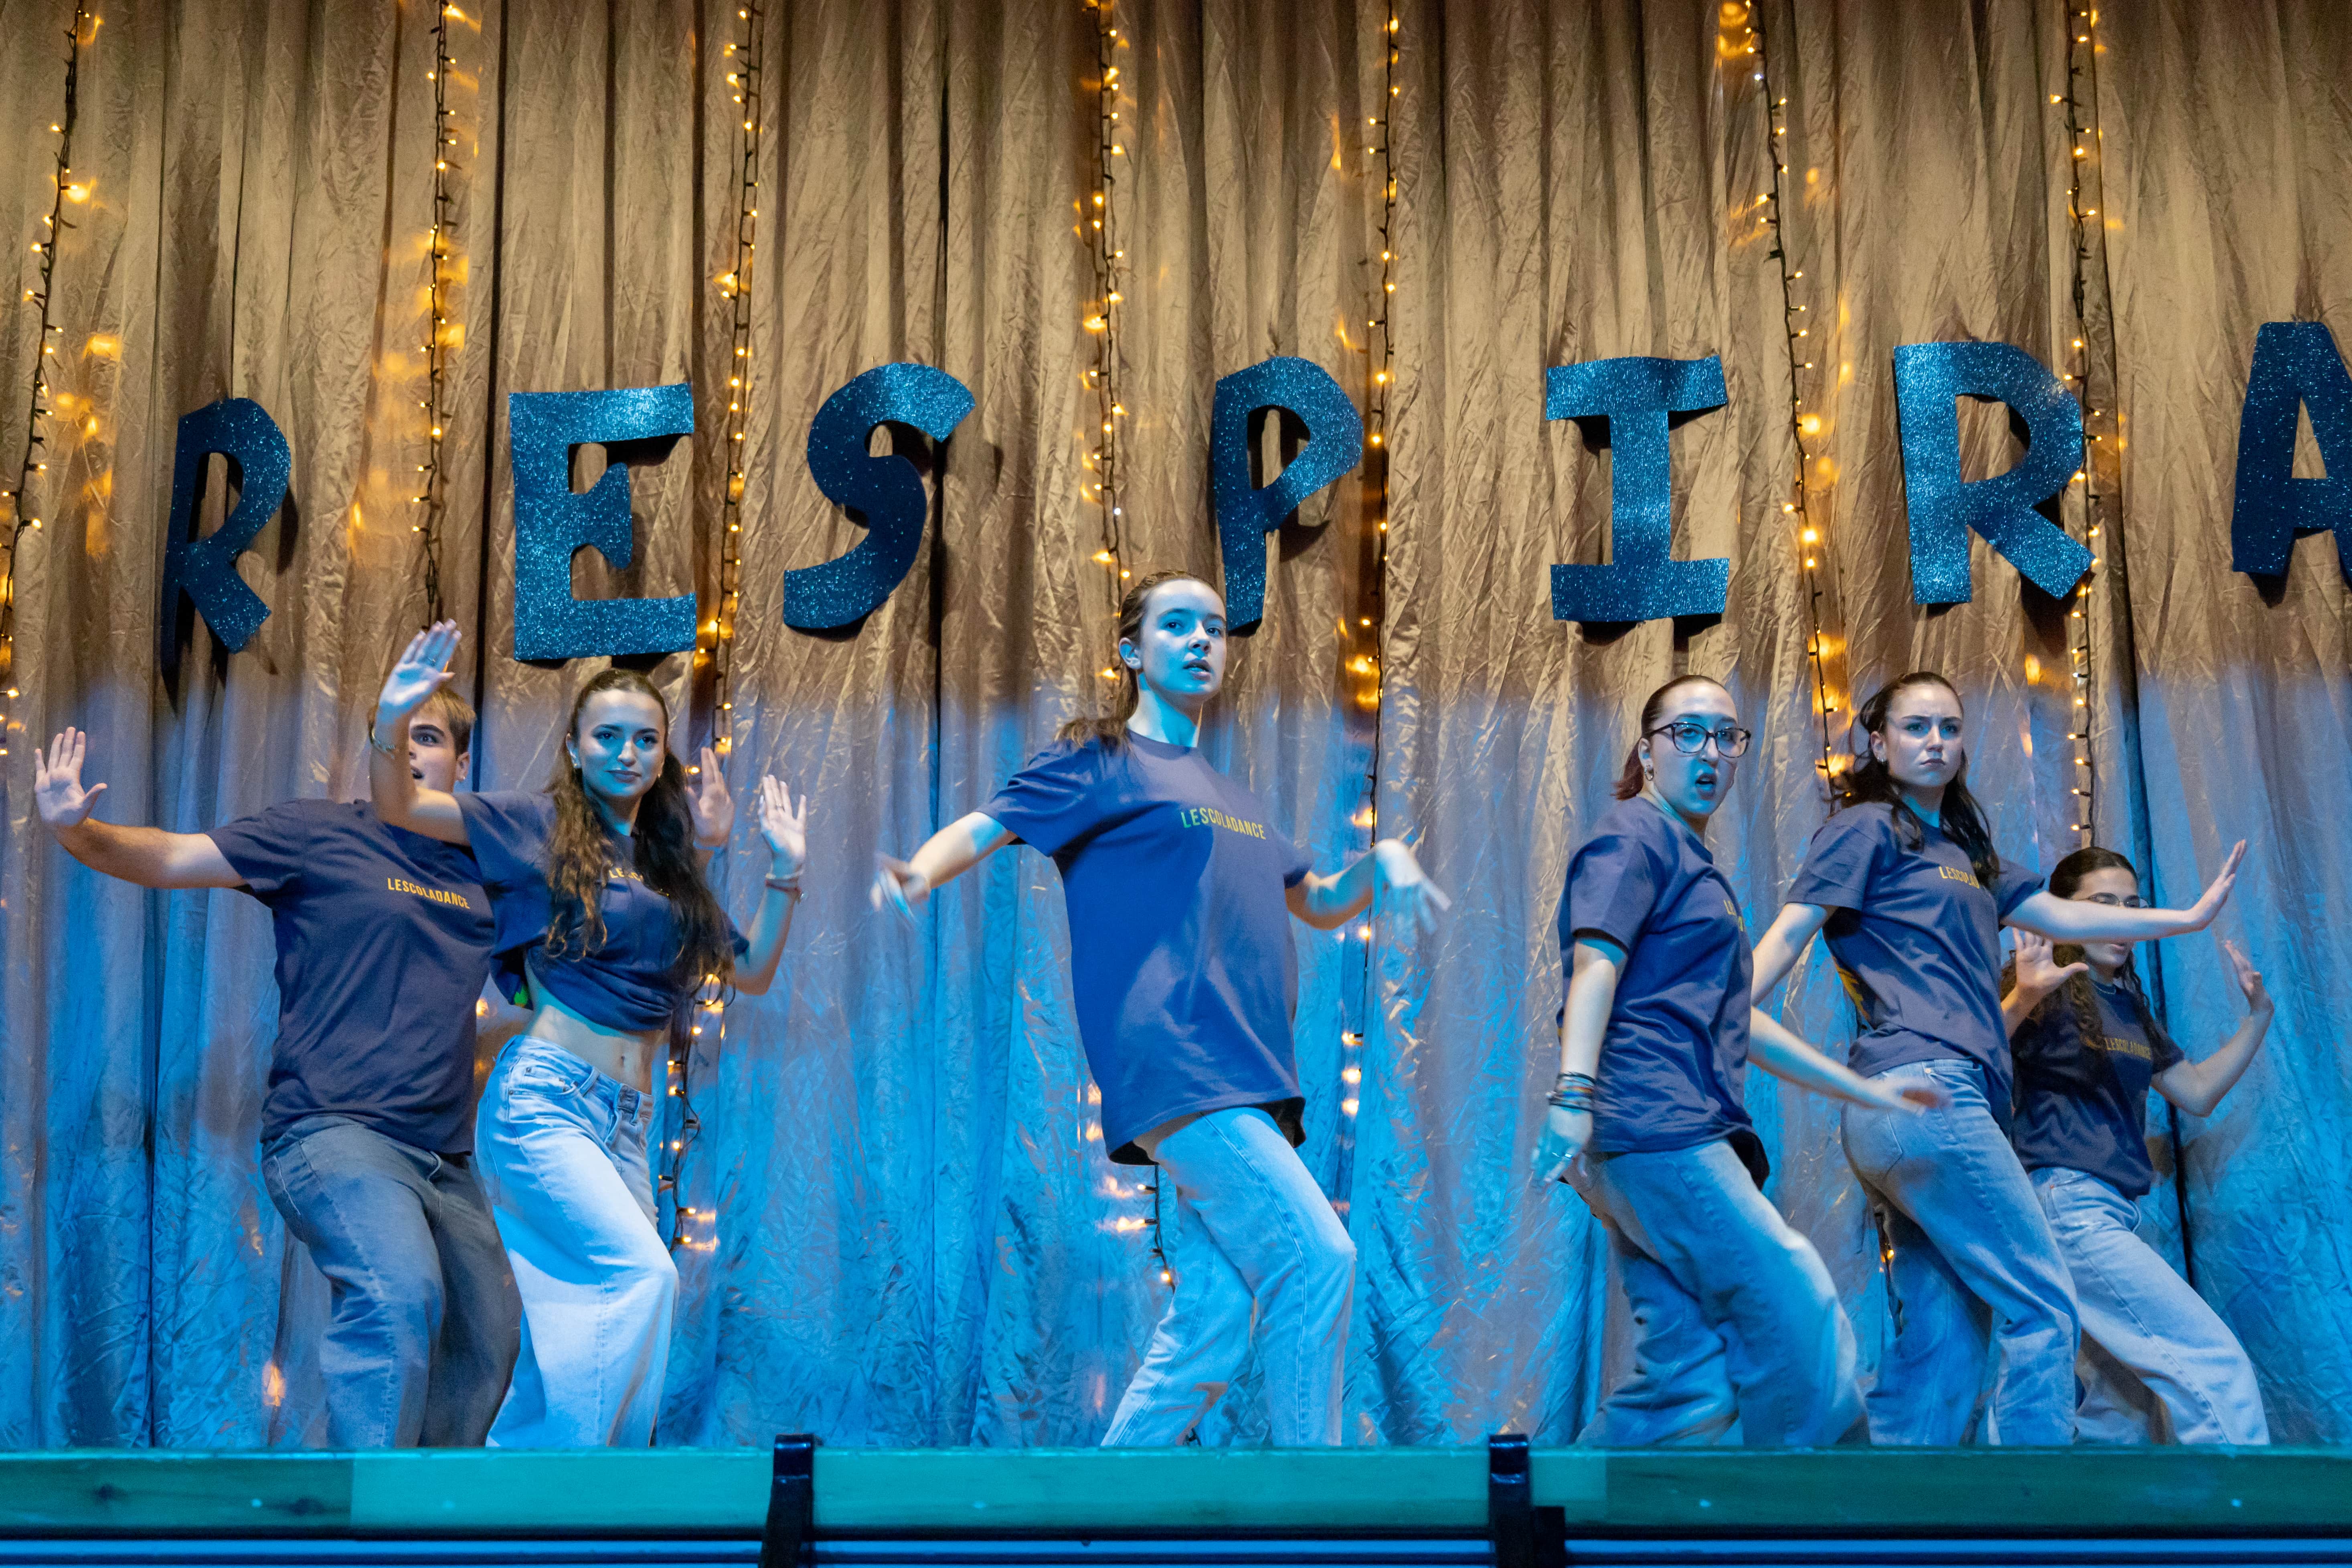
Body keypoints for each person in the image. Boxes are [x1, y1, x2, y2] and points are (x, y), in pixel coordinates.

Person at [872, 569, 1448, 1447]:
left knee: (1212, 1320)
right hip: (1178, 1059)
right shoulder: (1101, 763)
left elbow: (1324, 900)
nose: (1201, 640)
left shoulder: (1235, 798)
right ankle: (1318, 1504)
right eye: (1176, 625)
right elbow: (991, 824)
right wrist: (920, 870)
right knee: (1315, 1257)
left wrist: (1386, 859)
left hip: (1250, 1071)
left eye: (1213, 627)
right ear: (1132, 652)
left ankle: (1107, 1505)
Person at [1748, 670, 2245, 1446]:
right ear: (1877, 742)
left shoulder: (1968, 851)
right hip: (1922, 1090)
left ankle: (1882, 1505)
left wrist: (2184, 918)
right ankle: (2026, 1499)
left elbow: (2062, 916)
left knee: (1944, 1342)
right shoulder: (1866, 829)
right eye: (1915, 727)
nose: (1935, 742)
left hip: (1934, 1105)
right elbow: (1786, 936)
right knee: (2043, 1303)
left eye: (1948, 728)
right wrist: (1715, 1009)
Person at [31, 696, 522, 1448]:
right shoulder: (317, 834)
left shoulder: (486, 871)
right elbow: (170, 857)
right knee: (398, 1295)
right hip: (333, 1133)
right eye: (394, 734)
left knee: (487, 1344)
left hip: (447, 1158)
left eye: (428, 738)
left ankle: (434, 1512)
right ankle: (367, 1512)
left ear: (461, 764)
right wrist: (78, 830)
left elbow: (557, 983)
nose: (408, 750)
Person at [368, 621, 808, 1447]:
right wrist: (394, 721)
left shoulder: (666, 864)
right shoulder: (532, 825)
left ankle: (530, 1485)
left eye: (645, 740)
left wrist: (783, 870)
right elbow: (403, 806)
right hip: (547, 1102)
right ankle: (583, 1497)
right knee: (641, 1280)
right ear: (574, 748)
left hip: (629, 1124)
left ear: (662, 756)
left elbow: (748, 971)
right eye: (607, 736)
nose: (626, 753)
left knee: (574, 1331)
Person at [1533, 674, 1945, 1449]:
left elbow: (1737, 1019)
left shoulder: (1695, 865)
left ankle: (1568, 1510)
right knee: (1796, 1313)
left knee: (1687, 1379)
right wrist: (1573, 1094)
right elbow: (1594, 967)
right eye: (1687, 733)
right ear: (1646, 752)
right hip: (1654, 1124)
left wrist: (1864, 1091)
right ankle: (1811, 1510)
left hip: (1661, 1130)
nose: (1710, 753)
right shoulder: (1633, 837)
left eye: (1727, 737)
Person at [2002, 846, 2273, 1445]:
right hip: (2064, 1204)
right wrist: (2022, 997)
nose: (2122, 919)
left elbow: (2196, 1092)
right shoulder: (2039, 984)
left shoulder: (2127, 1005)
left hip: (2112, 1211)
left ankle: (2102, 1511)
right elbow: (1976, 1057)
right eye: (2103, 904)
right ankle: (2243, 1505)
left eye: (2132, 906)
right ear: (2064, 913)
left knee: (2119, 1413)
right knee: (2212, 1364)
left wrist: (2258, 1018)